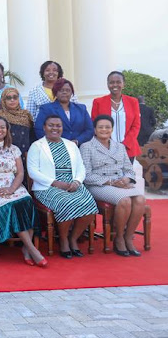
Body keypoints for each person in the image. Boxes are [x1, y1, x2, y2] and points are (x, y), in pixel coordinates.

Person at [0, 117, 46, 266]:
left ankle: (26, 248)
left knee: (26, 202)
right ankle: (32, 249)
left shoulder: (14, 149)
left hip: (13, 186)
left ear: (7, 130)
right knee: (10, 205)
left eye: (2, 127)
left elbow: (20, 173)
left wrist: (12, 189)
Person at [27, 115, 98, 259]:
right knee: (66, 203)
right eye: (51, 125)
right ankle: (64, 239)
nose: (55, 128)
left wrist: (77, 182)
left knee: (90, 205)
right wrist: (55, 183)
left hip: (72, 184)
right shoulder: (37, 146)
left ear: (62, 127)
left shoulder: (71, 145)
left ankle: (73, 238)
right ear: (44, 127)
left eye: (58, 125)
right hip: (47, 187)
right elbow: (33, 171)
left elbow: (81, 167)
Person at [81, 115, 146, 256]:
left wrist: (126, 180)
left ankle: (128, 237)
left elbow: (129, 170)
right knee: (125, 201)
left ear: (112, 129)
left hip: (121, 184)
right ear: (94, 130)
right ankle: (119, 239)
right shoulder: (87, 147)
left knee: (140, 199)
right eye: (100, 127)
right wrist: (111, 182)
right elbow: (86, 175)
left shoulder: (120, 146)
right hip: (98, 185)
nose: (104, 130)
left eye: (107, 127)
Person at [90, 71, 141, 159]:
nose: (115, 85)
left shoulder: (133, 102)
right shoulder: (98, 102)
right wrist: (107, 144)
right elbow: (94, 125)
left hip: (128, 149)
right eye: (111, 82)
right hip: (105, 148)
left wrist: (125, 145)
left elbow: (136, 125)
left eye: (118, 82)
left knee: (127, 173)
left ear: (123, 84)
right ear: (107, 84)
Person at [34, 78, 93, 145]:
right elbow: (39, 129)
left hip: (78, 147)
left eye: (68, 90)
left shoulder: (81, 108)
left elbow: (89, 130)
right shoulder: (46, 109)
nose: (64, 92)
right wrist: (55, 144)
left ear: (72, 93)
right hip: (54, 147)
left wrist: (77, 141)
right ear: (55, 92)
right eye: (61, 90)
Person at [0, 87, 35, 156]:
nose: (12, 100)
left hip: (25, 155)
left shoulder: (26, 115)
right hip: (4, 155)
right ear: (3, 100)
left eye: (15, 97)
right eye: (8, 98)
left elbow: (32, 136)